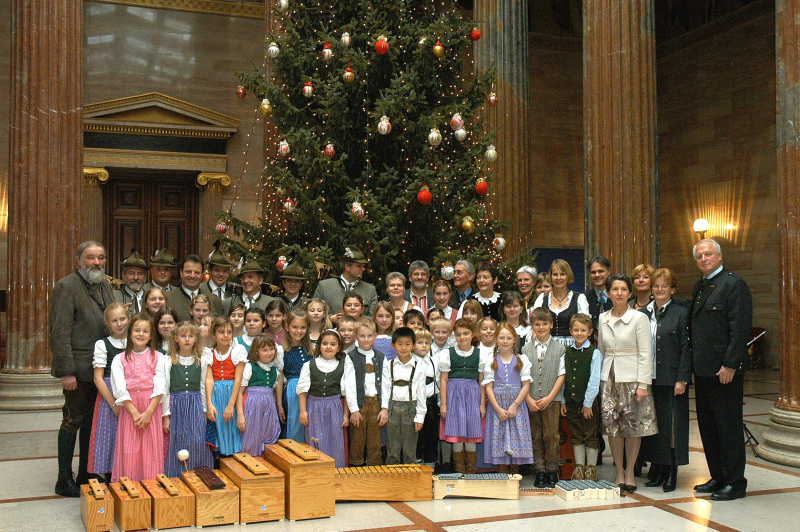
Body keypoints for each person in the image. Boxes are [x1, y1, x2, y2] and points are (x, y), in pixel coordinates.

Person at [50, 241, 115, 497]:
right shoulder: (66, 286)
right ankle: (64, 479)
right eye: (90, 258)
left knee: (91, 423)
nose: (96, 262)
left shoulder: (105, 285)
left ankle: (87, 474)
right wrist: (66, 371)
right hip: (76, 370)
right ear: (79, 260)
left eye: (100, 257)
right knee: (72, 421)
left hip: (98, 371)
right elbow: (59, 331)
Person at [689, 239, 752, 501]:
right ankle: (718, 476)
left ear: (719, 256)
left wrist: (730, 364)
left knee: (727, 426)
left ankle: (735, 481)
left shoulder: (733, 284)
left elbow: (740, 330)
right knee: (709, 426)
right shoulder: (702, 286)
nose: (704, 259)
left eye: (708, 254)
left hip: (724, 371)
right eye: (699, 256)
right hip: (703, 370)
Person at [598, 273, 657, 493]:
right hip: (610, 377)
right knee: (613, 428)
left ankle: (631, 471)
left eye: (624, 289)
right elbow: (601, 351)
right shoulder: (603, 317)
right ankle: (619, 471)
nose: (619, 293)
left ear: (630, 293)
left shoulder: (639, 317)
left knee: (633, 427)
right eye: (615, 289)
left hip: (632, 377)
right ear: (608, 293)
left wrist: (644, 383)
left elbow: (646, 352)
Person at [640, 268, 691, 493]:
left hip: (672, 379)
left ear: (672, 289)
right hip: (648, 378)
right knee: (654, 426)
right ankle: (658, 467)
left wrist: (682, 379)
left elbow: (686, 348)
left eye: (664, 286)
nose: (660, 290)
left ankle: (672, 470)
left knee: (672, 427)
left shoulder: (681, 313)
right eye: (656, 286)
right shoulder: (643, 313)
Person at [110, 314, 165, 482]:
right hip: (130, 408)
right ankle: (129, 492)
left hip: (151, 407)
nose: (141, 334)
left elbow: (160, 386)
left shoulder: (158, 357)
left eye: (145, 331)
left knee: (150, 450)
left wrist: (148, 413)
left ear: (151, 335)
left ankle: (151, 490)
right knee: (130, 449)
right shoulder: (119, 359)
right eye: (137, 330)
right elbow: (119, 387)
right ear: (130, 333)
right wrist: (134, 413)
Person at [162, 321, 213, 477]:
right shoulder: (169, 360)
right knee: (178, 440)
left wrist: (205, 410)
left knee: (197, 440)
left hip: (195, 403)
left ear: (196, 338)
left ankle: (199, 474)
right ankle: (177, 476)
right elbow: (165, 388)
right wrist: (165, 415)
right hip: (176, 404)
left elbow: (204, 387)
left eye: (191, 336)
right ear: (176, 338)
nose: (187, 339)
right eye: (183, 336)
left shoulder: (202, 360)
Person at [521, 307, 566, 488]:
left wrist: (550, 397)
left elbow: (561, 375)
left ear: (551, 325)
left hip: (551, 399)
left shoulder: (560, 348)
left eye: (545, 324)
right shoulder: (525, 349)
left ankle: (551, 470)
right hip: (531, 399)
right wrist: (528, 399)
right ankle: (539, 469)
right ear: (532, 326)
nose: (541, 327)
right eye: (537, 324)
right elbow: (523, 376)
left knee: (551, 435)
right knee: (536, 435)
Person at [483, 323, 532, 473]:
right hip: (498, 406)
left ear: (514, 339)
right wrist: (497, 409)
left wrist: (515, 405)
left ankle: (515, 472)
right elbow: (489, 387)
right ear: (496, 339)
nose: (505, 341)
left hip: (516, 406)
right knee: (499, 437)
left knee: (517, 437)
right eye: (501, 338)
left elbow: (525, 386)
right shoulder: (491, 361)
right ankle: (502, 471)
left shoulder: (522, 360)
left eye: (508, 338)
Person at [439, 319, 486, 474]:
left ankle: (471, 471)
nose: (462, 337)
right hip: (454, 395)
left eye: (466, 333)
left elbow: (482, 381)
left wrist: (482, 404)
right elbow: (444, 379)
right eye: (458, 334)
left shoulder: (480, 354)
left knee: (472, 432)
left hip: (472, 395)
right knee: (456, 435)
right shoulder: (448, 353)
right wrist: (444, 404)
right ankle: (460, 471)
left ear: (473, 334)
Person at [88, 302, 129, 481]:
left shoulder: (136, 340)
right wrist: (113, 403)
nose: (119, 324)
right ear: (107, 323)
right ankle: (109, 475)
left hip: (131, 392)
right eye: (114, 320)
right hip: (110, 394)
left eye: (122, 319)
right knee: (109, 435)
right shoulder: (102, 344)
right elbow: (98, 378)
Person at [298, 329, 350, 467]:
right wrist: (303, 412)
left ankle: (336, 471)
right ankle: (317, 472)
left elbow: (346, 393)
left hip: (334, 407)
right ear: (319, 346)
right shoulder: (309, 365)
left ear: (338, 347)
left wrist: (345, 415)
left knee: (335, 440)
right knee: (316, 440)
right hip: (314, 407)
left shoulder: (343, 365)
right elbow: (302, 391)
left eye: (333, 344)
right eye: (325, 343)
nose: (328, 347)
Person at [561, 314, 603, 482]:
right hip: (571, 401)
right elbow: (564, 377)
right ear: (571, 331)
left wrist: (588, 403)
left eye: (583, 330)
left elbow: (594, 379)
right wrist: (563, 401)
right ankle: (579, 467)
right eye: (576, 330)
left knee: (590, 434)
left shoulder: (594, 353)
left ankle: (591, 468)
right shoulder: (567, 352)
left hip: (588, 403)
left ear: (590, 332)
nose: (579, 333)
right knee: (576, 433)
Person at [380, 327, 426, 465]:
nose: (403, 347)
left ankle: (410, 481)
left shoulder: (419, 367)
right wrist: (384, 409)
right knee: (392, 448)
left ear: (413, 345)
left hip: (411, 410)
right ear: (393, 345)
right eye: (400, 344)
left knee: (409, 449)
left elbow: (421, 394)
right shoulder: (389, 365)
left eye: (407, 344)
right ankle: (392, 481)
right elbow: (385, 389)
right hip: (392, 409)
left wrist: (420, 417)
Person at [204, 317, 247, 456]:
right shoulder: (209, 353)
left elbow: (238, 379)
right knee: (218, 427)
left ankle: (232, 459)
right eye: (221, 332)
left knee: (231, 428)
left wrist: (231, 405)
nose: (226, 335)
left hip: (231, 394)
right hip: (216, 394)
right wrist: (209, 404)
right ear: (214, 334)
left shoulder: (237, 351)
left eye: (229, 332)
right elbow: (209, 379)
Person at [345, 318, 385, 467]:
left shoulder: (381, 357)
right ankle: (356, 470)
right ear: (356, 336)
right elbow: (349, 386)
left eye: (369, 336)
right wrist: (354, 410)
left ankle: (374, 470)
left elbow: (386, 384)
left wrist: (385, 408)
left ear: (375, 336)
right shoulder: (351, 357)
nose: (366, 339)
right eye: (362, 336)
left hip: (376, 404)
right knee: (357, 439)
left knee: (375, 440)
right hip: (359, 405)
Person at [236, 334, 283, 456]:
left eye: (271, 349)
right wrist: (240, 415)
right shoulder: (250, 367)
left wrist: (278, 407)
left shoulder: (274, 371)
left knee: (269, 434)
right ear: (256, 352)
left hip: (268, 407)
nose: (269, 353)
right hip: (252, 405)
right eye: (264, 350)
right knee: (250, 436)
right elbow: (239, 392)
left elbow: (273, 392)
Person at [533, 259, 590, 347]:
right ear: (550, 276)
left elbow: (584, 328)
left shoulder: (579, 298)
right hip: (546, 347)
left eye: (562, 274)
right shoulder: (542, 299)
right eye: (555, 274)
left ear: (568, 276)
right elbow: (535, 327)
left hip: (572, 347)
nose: (558, 278)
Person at [313, 245, 378, 321]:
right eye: (359, 266)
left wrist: (357, 318)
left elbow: (374, 317)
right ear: (347, 267)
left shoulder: (369, 290)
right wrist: (330, 318)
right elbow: (312, 312)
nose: (363, 269)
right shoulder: (325, 286)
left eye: (363, 266)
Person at [282, 311, 314, 442]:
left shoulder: (311, 349)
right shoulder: (282, 350)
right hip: (292, 391)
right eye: (295, 327)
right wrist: (278, 404)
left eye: (303, 327)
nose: (298, 331)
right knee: (294, 425)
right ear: (287, 327)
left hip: (311, 390)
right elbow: (279, 378)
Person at [412, 328, 440, 467]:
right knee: (417, 437)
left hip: (431, 403)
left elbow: (439, 383)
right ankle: (416, 465)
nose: (424, 346)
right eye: (420, 342)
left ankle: (430, 467)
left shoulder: (434, 361)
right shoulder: (410, 361)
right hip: (415, 404)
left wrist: (440, 401)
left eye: (427, 343)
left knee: (431, 436)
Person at [167, 255, 223, 321]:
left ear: (202, 274)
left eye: (197, 272)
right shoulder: (168, 299)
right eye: (188, 272)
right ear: (181, 272)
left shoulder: (213, 300)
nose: (192, 276)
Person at [585, 256, 613, 331]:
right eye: (593, 272)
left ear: (609, 272)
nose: (597, 275)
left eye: (601, 271)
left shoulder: (618, 296)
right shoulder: (584, 298)